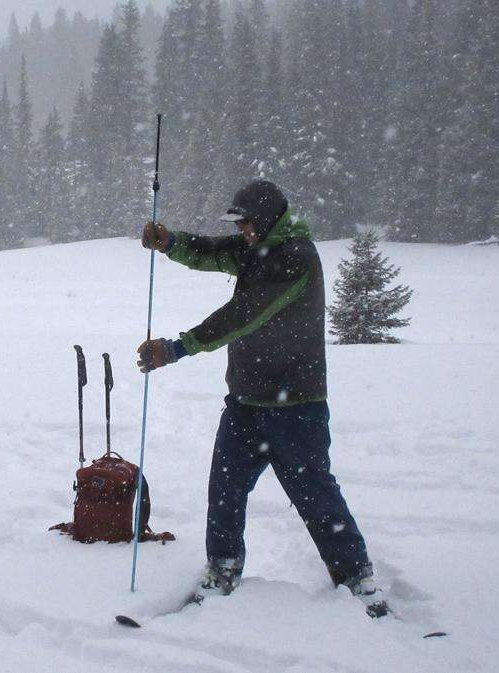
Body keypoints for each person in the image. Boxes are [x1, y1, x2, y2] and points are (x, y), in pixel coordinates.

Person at [136, 179, 387, 617]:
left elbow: (245, 314)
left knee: (314, 493)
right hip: (246, 402)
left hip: (296, 405)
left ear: (269, 218)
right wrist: (171, 242)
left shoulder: (296, 258)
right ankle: (224, 568)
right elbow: (213, 251)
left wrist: (177, 347)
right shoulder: (255, 247)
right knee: (225, 488)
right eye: (240, 223)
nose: (243, 231)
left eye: (247, 222)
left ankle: (355, 576)